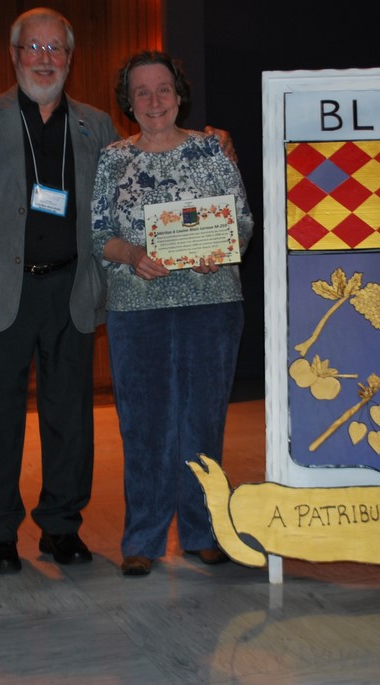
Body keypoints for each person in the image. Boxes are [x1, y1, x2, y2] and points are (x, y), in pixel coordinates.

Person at [0, 9, 235, 575]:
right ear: (14, 54)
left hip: (71, 289)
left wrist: (213, 141)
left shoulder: (97, 128)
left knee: (70, 417)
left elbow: (146, 176)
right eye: (33, 47)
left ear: (69, 59)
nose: (44, 59)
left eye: (56, 49)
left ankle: (61, 527)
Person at [91, 51, 254, 576]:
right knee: (143, 425)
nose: (154, 100)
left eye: (163, 88)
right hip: (136, 309)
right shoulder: (113, 159)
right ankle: (143, 538)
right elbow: (98, 235)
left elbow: (242, 221)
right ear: (128, 102)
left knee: (203, 421)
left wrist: (219, 249)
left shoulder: (212, 149)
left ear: (179, 94)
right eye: (141, 91)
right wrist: (131, 254)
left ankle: (204, 531)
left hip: (211, 304)